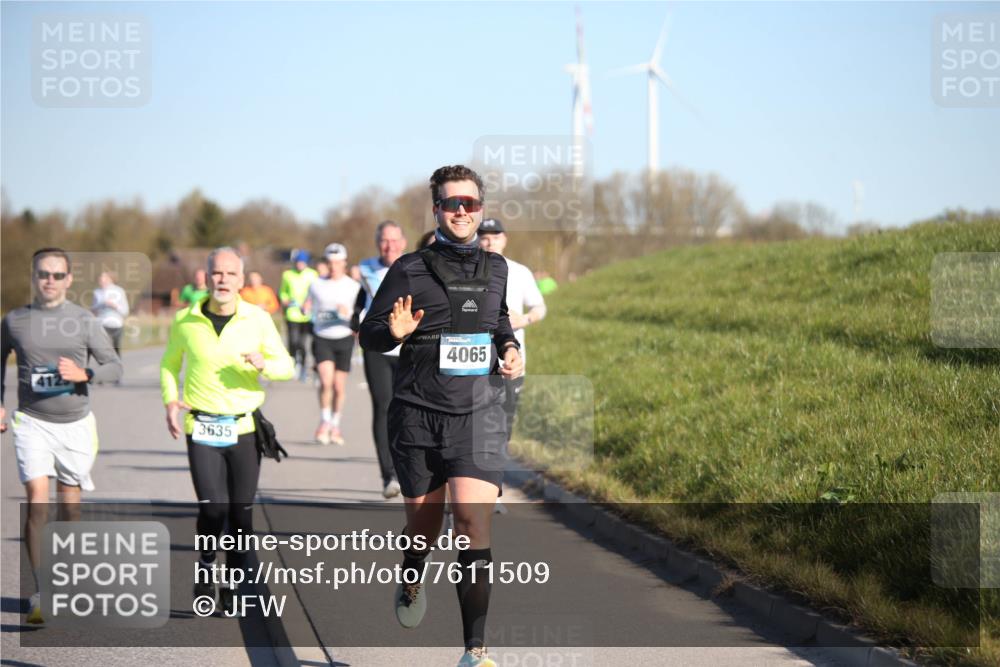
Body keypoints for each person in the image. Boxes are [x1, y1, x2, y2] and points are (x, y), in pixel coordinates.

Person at [360, 165, 523, 667]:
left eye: (470, 204)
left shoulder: (499, 270)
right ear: (436, 209)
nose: (461, 211)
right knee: (424, 530)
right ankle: (412, 572)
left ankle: (475, 650)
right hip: (418, 416)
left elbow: (498, 320)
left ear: (480, 209)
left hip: (477, 415)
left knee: (472, 524)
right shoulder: (409, 269)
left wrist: (510, 345)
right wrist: (394, 332)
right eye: (452, 203)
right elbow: (369, 334)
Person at [160, 247, 294, 614]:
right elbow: (170, 365)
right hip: (200, 425)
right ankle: (205, 567)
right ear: (206, 276)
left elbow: (287, 367)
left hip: (244, 428)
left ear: (241, 278)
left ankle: (233, 580)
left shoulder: (257, 319)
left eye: (231, 274)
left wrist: (265, 363)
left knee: (240, 514)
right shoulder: (186, 319)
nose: (223, 280)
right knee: (213, 508)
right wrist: (171, 401)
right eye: (217, 273)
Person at [1, 248, 123, 624]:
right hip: (31, 421)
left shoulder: (84, 321)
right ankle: (41, 591)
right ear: (34, 276)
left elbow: (115, 367)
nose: (49, 281)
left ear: (69, 280)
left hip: (75, 424)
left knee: (70, 508)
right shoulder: (15, 321)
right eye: (43, 274)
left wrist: (83, 375)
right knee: (38, 501)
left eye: (57, 275)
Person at [352, 221, 407, 499]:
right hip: (377, 348)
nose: (390, 246)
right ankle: (389, 475)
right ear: (377, 243)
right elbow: (361, 301)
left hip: (409, 348)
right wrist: (355, 321)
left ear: (404, 242)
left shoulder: (415, 266)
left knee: (407, 408)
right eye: (384, 240)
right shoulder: (366, 269)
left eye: (395, 240)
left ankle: (407, 466)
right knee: (383, 406)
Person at [304, 245, 360, 446]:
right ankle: (324, 421)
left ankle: (336, 424)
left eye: (338, 263)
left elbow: (360, 314)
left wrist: (348, 314)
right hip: (322, 337)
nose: (334, 266)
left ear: (345, 263)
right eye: (330, 263)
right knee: (326, 382)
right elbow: (307, 306)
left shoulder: (353, 286)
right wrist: (306, 309)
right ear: (325, 264)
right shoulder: (316, 284)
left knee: (338, 386)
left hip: (344, 338)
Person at [280, 250, 318, 382]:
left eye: (302, 262)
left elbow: (316, 293)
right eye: (298, 262)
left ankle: (302, 366)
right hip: (292, 313)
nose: (299, 265)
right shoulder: (287, 275)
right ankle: (294, 364)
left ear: (306, 263)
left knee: (303, 343)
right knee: (293, 341)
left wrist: (310, 303)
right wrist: (285, 300)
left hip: (307, 315)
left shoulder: (313, 275)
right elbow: (283, 292)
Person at [90, 270, 130, 358]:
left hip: (116, 325)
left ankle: (116, 368)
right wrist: (100, 305)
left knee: (115, 350)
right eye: (100, 277)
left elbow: (125, 311)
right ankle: (106, 368)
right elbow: (93, 309)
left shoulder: (119, 291)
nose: (101, 279)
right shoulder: (97, 292)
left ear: (110, 279)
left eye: (104, 277)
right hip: (102, 325)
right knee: (103, 350)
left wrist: (114, 306)